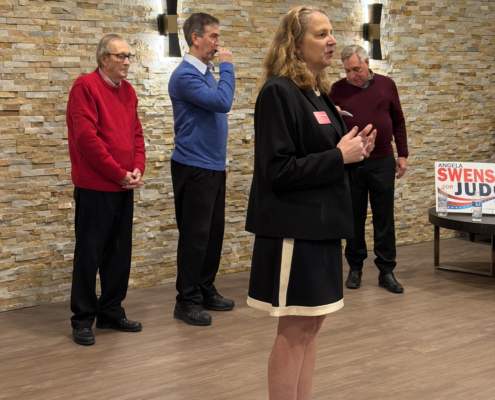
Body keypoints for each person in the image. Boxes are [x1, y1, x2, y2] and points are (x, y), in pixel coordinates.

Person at [245, 6, 376, 399]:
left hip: (321, 228)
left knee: (312, 325)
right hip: (295, 230)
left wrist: (355, 152)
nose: (332, 40)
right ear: (295, 43)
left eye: (330, 32)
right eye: (321, 34)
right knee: (295, 330)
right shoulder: (278, 92)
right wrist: (338, 156)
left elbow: (326, 156)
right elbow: (277, 169)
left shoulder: (317, 94)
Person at [67, 34, 146, 346]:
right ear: (103, 59)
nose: (126, 62)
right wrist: (119, 174)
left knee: (118, 254)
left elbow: (137, 134)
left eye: (129, 56)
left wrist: (137, 168)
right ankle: (82, 318)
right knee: (89, 255)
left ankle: (111, 311)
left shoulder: (128, 90)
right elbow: (87, 140)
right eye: (120, 56)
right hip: (96, 187)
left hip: (124, 185)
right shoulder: (84, 87)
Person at [168, 13, 236, 326]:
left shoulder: (205, 73)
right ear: (195, 38)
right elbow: (223, 103)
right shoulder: (185, 76)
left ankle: (205, 289)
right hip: (193, 167)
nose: (218, 43)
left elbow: (213, 121)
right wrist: (227, 67)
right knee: (194, 237)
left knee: (212, 234)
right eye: (213, 36)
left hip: (212, 167)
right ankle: (186, 300)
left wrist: (222, 162)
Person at [329, 44, 408, 293]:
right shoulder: (336, 90)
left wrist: (403, 154)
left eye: (356, 69)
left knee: (384, 217)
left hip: (382, 160)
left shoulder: (387, 85)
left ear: (367, 63)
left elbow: (398, 121)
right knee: (354, 217)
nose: (351, 75)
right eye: (347, 71)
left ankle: (386, 271)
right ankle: (355, 268)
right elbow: (328, 126)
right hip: (352, 162)